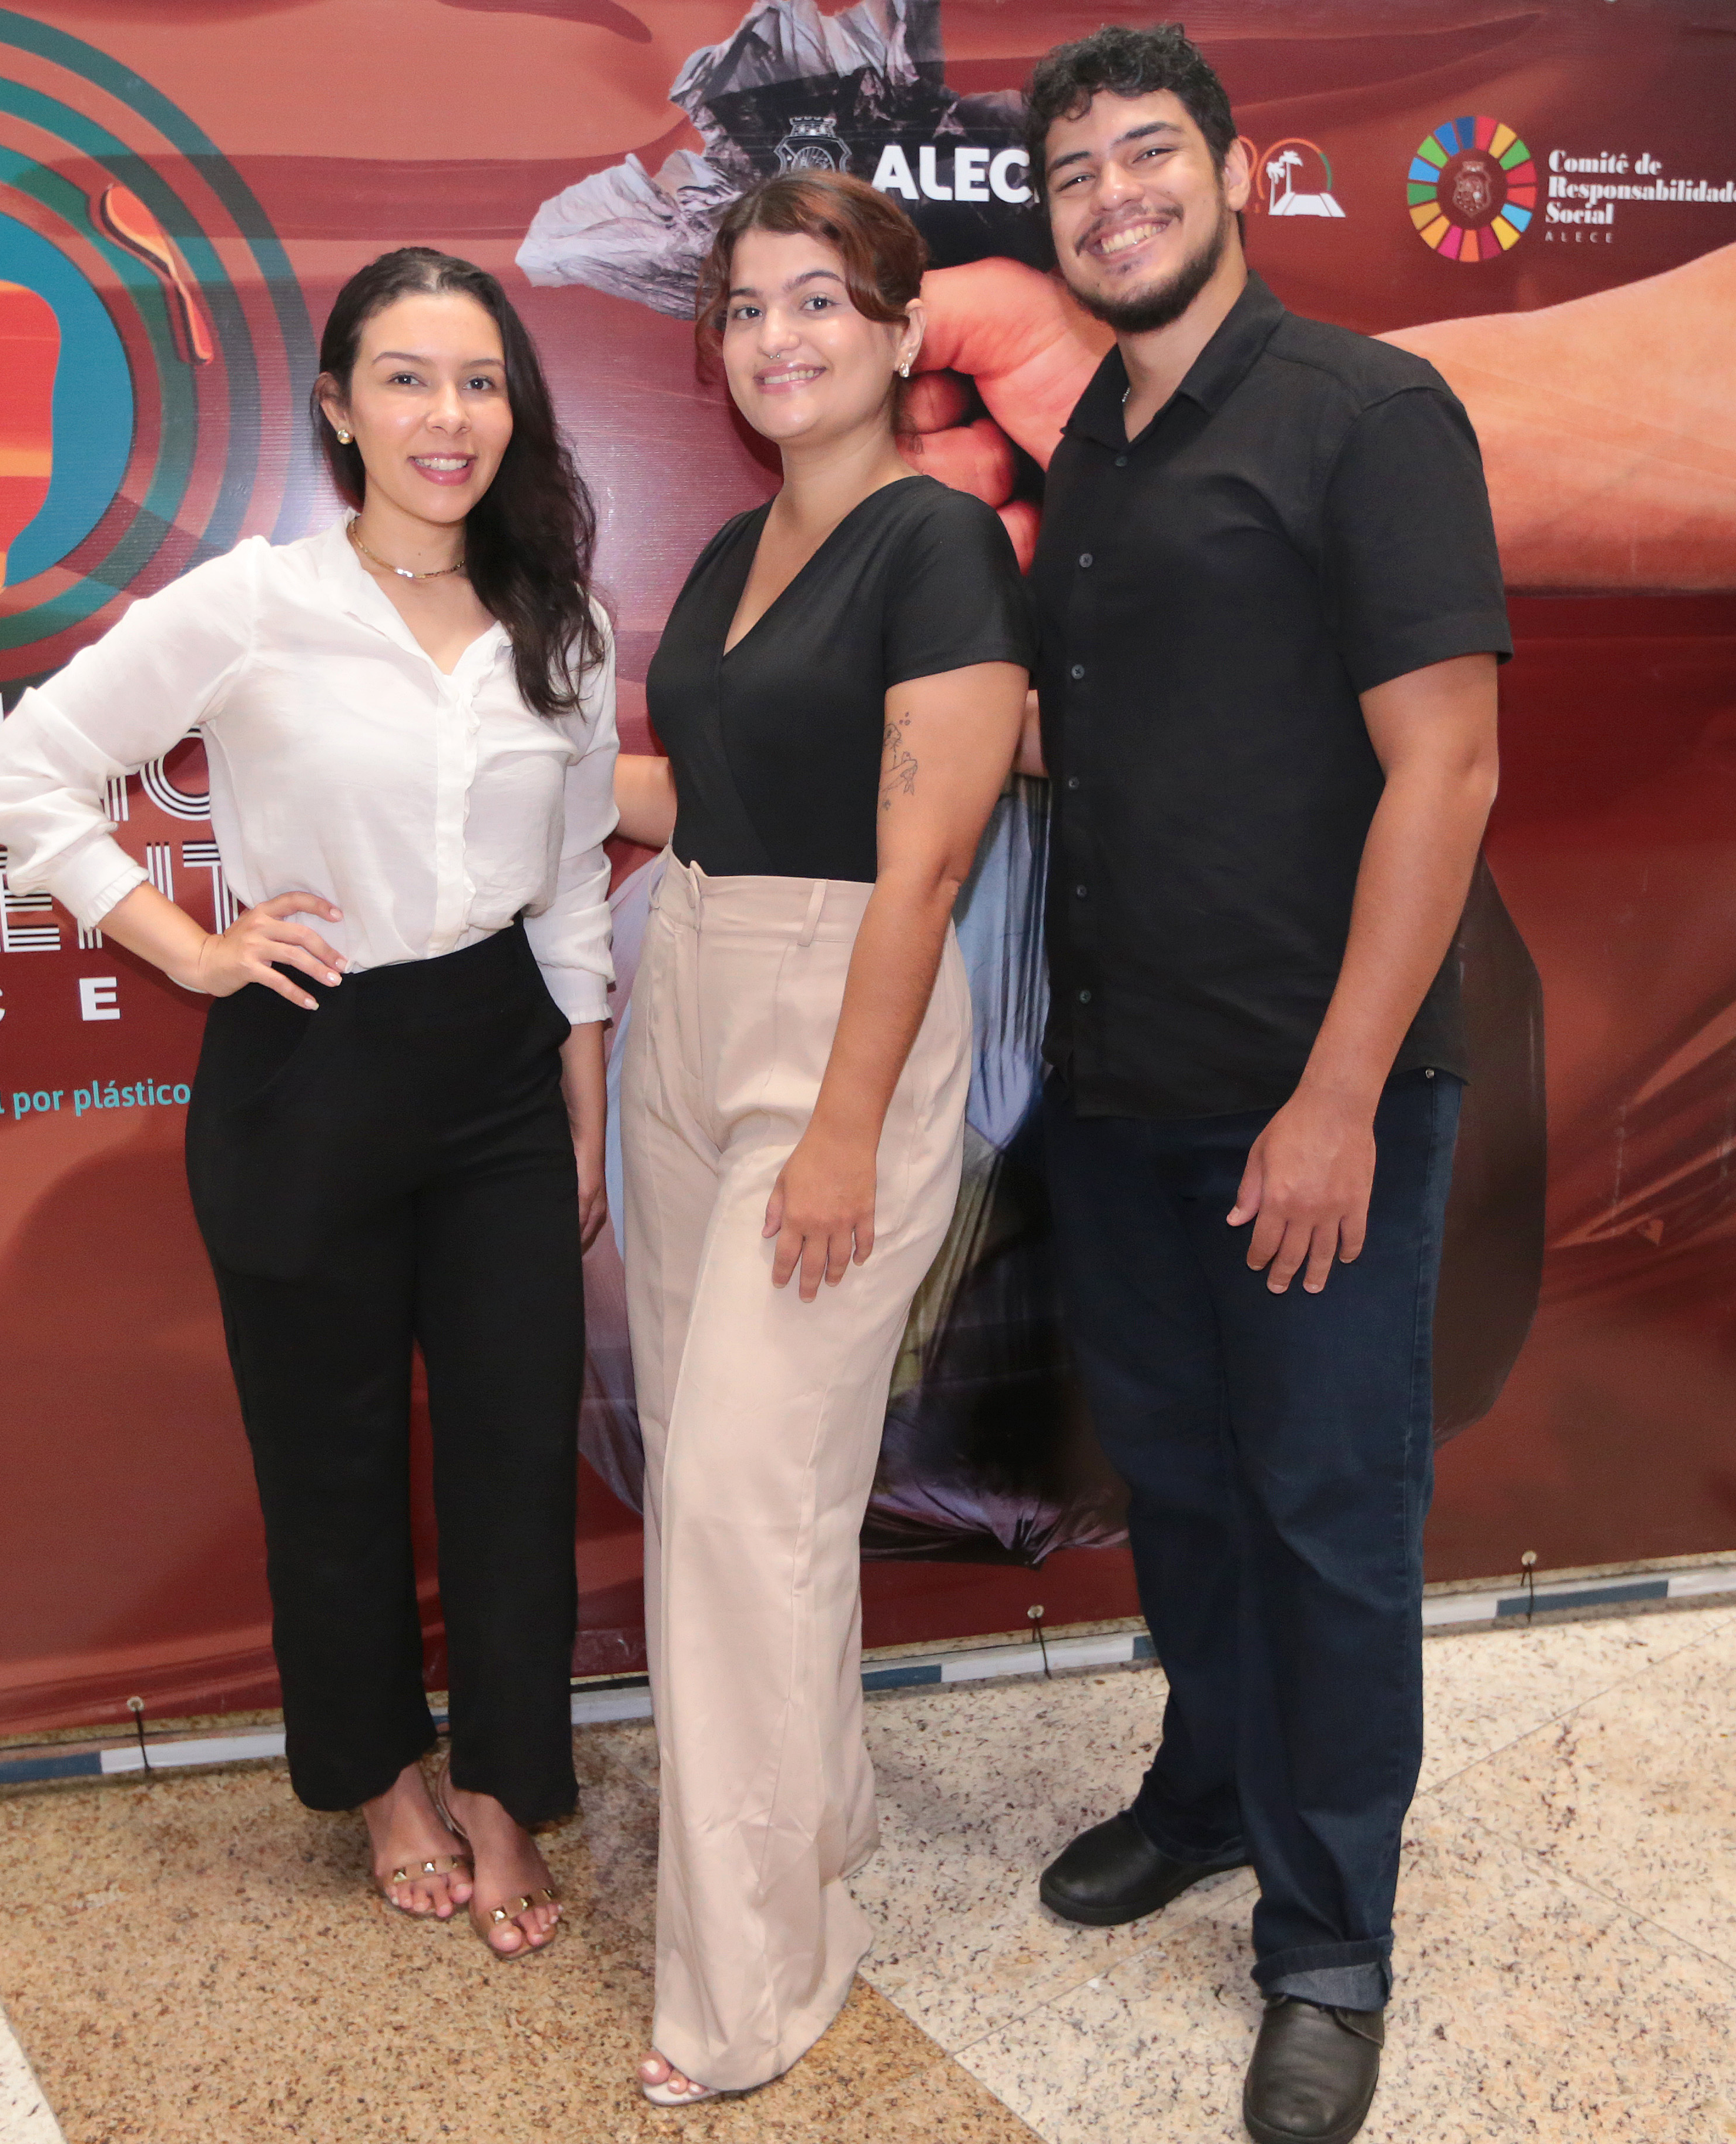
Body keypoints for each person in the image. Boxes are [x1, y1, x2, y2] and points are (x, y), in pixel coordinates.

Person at [0, 247, 615, 1961]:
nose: (445, 415)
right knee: (327, 1460)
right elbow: (23, 772)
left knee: (512, 1458)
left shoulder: (561, 622)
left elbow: (568, 890)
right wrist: (188, 946)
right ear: (336, 407)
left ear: (512, 409)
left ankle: (507, 1788)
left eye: (477, 380)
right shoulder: (252, 603)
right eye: (404, 378)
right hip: (307, 1061)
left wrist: (584, 1101)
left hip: (501, 1066)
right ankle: (382, 1778)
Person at [1010, 29, 1505, 2144]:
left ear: (1237, 172)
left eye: (1149, 155)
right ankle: (1209, 1787)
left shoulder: (1367, 413)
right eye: (1073, 172)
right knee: (1190, 1493)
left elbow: (1447, 767)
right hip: (1119, 1089)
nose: (1112, 196)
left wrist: (1334, 1098)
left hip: (1314, 1100)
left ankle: (1328, 1944)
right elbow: (1103, 744)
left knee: (1324, 1519)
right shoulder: (1093, 449)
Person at [604, 169, 1030, 2103]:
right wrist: (491, 758)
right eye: (749, 305)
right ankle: (817, 1817)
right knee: (741, 1488)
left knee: (733, 1504)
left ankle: (753, 1984)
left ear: (898, 326)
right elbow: (702, 794)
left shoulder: (939, 543)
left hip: (837, 1019)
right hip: (691, 983)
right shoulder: (729, 550)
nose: (779, 337)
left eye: (820, 300)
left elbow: (923, 864)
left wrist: (846, 1127)